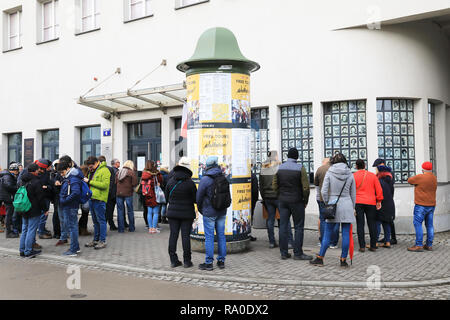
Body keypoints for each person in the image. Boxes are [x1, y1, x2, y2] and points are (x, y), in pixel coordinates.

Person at [310, 153, 356, 267]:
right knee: (345, 233)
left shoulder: (330, 173)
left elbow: (324, 191)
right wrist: (352, 206)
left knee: (327, 233)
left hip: (333, 204)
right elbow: (353, 193)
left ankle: (320, 258)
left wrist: (327, 203)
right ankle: (343, 260)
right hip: (347, 205)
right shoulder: (350, 174)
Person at [272, 148, 311, 261]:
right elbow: (305, 187)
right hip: (297, 201)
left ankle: (284, 253)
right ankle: (298, 253)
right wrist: (305, 200)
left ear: (287, 156)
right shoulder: (300, 168)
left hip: (283, 201)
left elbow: (274, 185)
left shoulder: (280, 168)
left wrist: (279, 196)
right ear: (297, 157)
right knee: (298, 227)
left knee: (283, 226)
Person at [196, 156, 230, 271]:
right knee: (221, 235)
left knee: (209, 237)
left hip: (209, 212)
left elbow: (199, 197)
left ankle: (209, 263)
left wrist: (202, 210)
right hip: (222, 211)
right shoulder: (223, 177)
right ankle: (221, 261)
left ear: (207, 166)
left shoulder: (205, 179)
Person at [164, 157, 197, 268]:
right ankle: (187, 261)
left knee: (173, 235)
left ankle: (173, 260)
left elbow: (167, 197)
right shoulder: (190, 183)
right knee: (185, 237)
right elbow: (195, 199)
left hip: (172, 213)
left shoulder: (170, 182)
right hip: (187, 214)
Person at [19, 163, 48, 258]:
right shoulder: (36, 181)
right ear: (35, 171)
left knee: (24, 229)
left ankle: (22, 250)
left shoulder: (22, 180)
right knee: (31, 230)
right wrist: (45, 209)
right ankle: (28, 251)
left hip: (24, 207)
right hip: (34, 209)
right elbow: (41, 197)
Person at [353, 159, 383, 252]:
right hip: (371, 202)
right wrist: (379, 200)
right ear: (365, 166)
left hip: (358, 202)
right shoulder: (372, 176)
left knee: (360, 224)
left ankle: (362, 246)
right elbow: (378, 189)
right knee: (372, 224)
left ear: (356, 166)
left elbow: (351, 190)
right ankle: (373, 245)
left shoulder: (353, 176)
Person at [407, 161, 437, 252]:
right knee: (429, 225)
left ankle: (419, 244)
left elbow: (410, 180)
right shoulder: (434, 178)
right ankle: (429, 244)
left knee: (417, 224)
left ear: (423, 169)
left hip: (421, 205)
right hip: (431, 205)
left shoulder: (420, 177)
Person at [57, 160, 84, 256]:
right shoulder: (70, 177)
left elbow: (75, 192)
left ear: (67, 169)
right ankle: (75, 247)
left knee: (72, 228)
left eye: (62, 172)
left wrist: (65, 200)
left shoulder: (73, 178)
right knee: (73, 227)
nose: (61, 174)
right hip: (69, 206)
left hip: (70, 206)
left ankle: (73, 250)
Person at [84, 156, 111, 250]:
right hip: (91, 198)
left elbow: (104, 185)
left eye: (91, 166)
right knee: (95, 222)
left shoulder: (105, 170)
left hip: (99, 199)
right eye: (89, 167)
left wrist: (90, 181)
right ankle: (95, 240)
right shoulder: (92, 171)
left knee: (101, 221)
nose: (90, 168)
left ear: (97, 162)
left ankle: (102, 241)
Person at [373, 158, 397, 244]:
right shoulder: (389, 176)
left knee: (378, 222)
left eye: (377, 167)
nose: (376, 169)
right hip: (389, 201)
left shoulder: (379, 180)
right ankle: (388, 240)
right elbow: (391, 190)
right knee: (387, 221)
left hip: (381, 202)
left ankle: (375, 241)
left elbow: (378, 192)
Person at [259, 151, 280, 248]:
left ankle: (271, 241)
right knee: (283, 219)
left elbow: (261, 185)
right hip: (278, 196)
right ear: (275, 156)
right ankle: (286, 241)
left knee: (270, 219)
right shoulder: (278, 166)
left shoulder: (263, 167)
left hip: (267, 197)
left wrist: (263, 197)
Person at [116, 160, 138, 233]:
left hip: (119, 193)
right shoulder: (131, 173)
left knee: (120, 211)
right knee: (130, 211)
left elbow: (115, 182)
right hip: (128, 193)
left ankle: (121, 229)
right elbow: (134, 183)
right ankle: (131, 228)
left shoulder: (118, 172)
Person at [141, 160, 163, 234]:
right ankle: (154, 228)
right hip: (155, 194)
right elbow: (161, 180)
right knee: (156, 213)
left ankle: (150, 228)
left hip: (147, 194)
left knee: (149, 212)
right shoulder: (156, 174)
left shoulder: (144, 174)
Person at [0, 163, 20, 238]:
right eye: (17, 170)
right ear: (14, 170)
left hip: (4, 196)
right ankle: (8, 232)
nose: (18, 172)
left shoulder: (5, 175)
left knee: (8, 215)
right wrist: (17, 187)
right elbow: (9, 186)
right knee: (9, 215)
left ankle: (9, 231)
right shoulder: (8, 176)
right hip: (7, 197)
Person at [105, 158, 119, 231]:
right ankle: (111, 225)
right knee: (110, 210)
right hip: (112, 193)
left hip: (110, 193)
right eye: (118, 162)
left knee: (109, 210)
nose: (119, 164)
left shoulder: (109, 169)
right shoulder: (114, 171)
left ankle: (111, 224)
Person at [249, 162, 259, 241]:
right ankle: (249, 234)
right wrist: (255, 200)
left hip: (244, 200)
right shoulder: (253, 176)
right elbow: (255, 190)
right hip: (252, 200)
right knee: (250, 217)